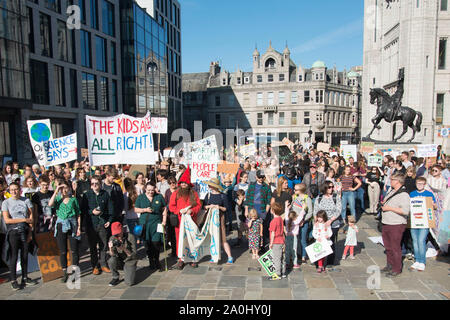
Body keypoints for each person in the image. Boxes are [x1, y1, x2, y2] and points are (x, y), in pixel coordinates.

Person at [1, 182, 37, 290]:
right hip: (13, 231)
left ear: (19, 190)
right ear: (9, 191)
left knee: (25, 255)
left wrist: (30, 232)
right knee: (14, 256)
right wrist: (23, 220)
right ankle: (13, 280)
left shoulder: (25, 200)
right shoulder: (6, 202)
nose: (14, 192)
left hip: (25, 231)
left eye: (15, 189)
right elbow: (7, 220)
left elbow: (31, 216)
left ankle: (25, 277)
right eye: (11, 190)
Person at [48, 181, 81, 283]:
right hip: (61, 224)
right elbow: (50, 204)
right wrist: (56, 190)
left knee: (74, 249)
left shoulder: (73, 199)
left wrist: (79, 227)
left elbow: (78, 214)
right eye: (63, 188)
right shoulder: (58, 199)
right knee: (63, 250)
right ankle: (65, 272)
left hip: (72, 224)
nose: (65, 190)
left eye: (66, 188)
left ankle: (75, 271)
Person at [168, 167, 201, 270]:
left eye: (185, 183)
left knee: (191, 239)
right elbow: (171, 206)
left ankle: (192, 258)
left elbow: (198, 205)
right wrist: (179, 211)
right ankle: (181, 260)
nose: (183, 185)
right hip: (179, 222)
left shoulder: (193, 194)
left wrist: (192, 211)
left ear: (188, 184)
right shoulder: (175, 193)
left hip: (191, 221)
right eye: (181, 183)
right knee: (180, 240)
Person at [81, 175, 114, 275]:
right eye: (92, 184)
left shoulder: (105, 194)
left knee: (103, 245)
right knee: (92, 246)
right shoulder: (87, 195)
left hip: (102, 223)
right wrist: (92, 211)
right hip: (91, 224)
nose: (94, 185)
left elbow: (110, 208)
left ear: (100, 184)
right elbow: (83, 210)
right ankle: (95, 266)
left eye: (96, 183)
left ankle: (103, 264)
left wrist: (109, 220)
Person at [380, 172, 410, 277]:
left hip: (396, 223)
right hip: (386, 222)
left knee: (395, 247)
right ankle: (389, 264)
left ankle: (397, 268)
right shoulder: (392, 191)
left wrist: (389, 208)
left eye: (392, 179)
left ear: (397, 181)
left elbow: (405, 211)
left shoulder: (404, 194)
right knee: (387, 246)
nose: (390, 181)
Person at [135, 182, 167, 271]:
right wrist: (144, 210)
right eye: (149, 190)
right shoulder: (141, 197)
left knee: (156, 243)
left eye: (152, 190)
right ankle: (151, 261)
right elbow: (135, 209)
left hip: (157, 223)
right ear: (145, 189)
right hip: (145, 224)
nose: (150, 192)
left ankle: (156, 260)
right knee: (148, 244)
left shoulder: (159, 197)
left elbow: (164, 209)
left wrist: (164, 221)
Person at [203, 178, 234, 265]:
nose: (209, 186)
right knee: (212, 238)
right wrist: (210, 207)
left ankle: (230, 257)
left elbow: (226, 209)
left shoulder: (223, 196)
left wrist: (218, 207)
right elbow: (204, 207)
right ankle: (214, 256)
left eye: (210, 185)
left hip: (220, 219)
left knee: (223, 239)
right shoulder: (208, 195)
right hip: (210, 220)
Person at [409, 177, 436, 272]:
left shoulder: (429, 194)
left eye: (421, 184)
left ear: (425, 184)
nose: (419, 185)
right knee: (415, 241)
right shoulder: (412, 194)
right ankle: (417, 260)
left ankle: (422, 261)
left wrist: (432, 204)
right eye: (418, 183)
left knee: (421, 241)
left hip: (424, 221)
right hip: (414, 221)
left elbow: (435, 206)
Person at [313, 182, 342, 267]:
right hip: (321, 223)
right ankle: (318, 261)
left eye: (332, 187)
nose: (331, 188)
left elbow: (338, 210)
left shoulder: (335, 197)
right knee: (319, 242)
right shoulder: (319, 197)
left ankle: (330, 261)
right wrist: (316, 221)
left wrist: (330, 220)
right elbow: (316, 210)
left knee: (331, 242)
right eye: (329, 187)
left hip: (333, 223)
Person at [244, 170, 272, 251]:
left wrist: (266, 212)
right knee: (252, 229)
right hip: (252, 210)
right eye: (259, 177)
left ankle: (261, 246)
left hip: (261, 210)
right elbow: (247, 198)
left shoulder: (266, 187)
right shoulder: (251, 186)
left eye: (262, 177)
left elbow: (268, 201)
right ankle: (253, 247)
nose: (260, 179)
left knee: (262, 230)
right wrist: (246, 210)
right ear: (256, 177)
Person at [107, 222, 138, 286]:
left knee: (129, 283)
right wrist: (110, 248)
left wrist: (124, 249)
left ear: (122, 230)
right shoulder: (112, 238)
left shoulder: (130, 237)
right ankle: (115, 277)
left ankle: (129, 270)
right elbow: (112, 255)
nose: (117, 236)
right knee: (111, 260)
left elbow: (134, 255)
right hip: (119, 259)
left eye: (118, 233)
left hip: (129, 260)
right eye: (115, 234)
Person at [292, 183, 313, 264]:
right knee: (296, 239)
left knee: (303, 239)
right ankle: (298, 254)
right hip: (295, 222)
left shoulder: (307, 199)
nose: (294, 191)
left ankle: (304, 256)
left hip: (303, 223)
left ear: (301, 190)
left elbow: (310, 212)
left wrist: (303, 220)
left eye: (296, 189)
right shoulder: (295, 197)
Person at [268, 202, 286, 280]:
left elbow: (272, 233)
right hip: (282, 240)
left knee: (277, 258)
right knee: (282, 258)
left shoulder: (273, 221)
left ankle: (278, 274)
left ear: (272, 210)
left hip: (276, 241)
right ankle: (283, 272)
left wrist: (271, 243)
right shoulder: (280, 219)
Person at [164, 176, 178, 257]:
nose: (172, 184)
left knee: (178, 233)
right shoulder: (167, 192)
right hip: (170, 215)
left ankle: (178, 249)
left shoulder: (179, 190)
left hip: (177, 214)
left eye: (173, 182)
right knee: (171, 234)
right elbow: (165, 203)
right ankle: (173, 250)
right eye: (170, 183)